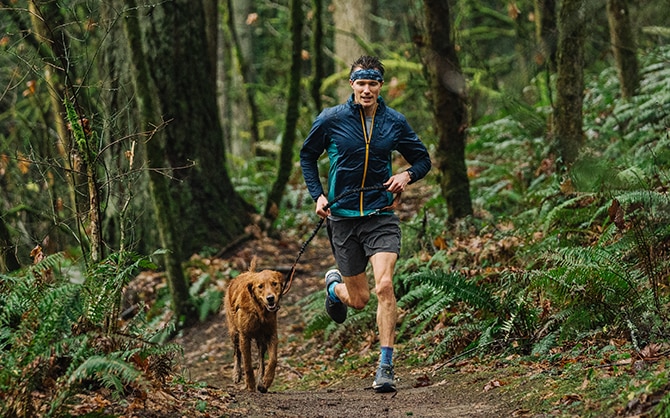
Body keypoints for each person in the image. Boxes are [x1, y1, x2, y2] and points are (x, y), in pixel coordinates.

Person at [299, 55, 431, 393]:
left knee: (384, 286)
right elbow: (307, 156)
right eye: (361, 83)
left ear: (381, 86)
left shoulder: (394, 122)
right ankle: (334, 287)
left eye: (373, 83)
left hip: (379, 214)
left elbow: (423, 159)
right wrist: (318, 195)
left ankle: (385, 366)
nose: (367, 89)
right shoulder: (331, 120)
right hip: (342, 219)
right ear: (352, 85)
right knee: (358, 300)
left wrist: (406, 174)